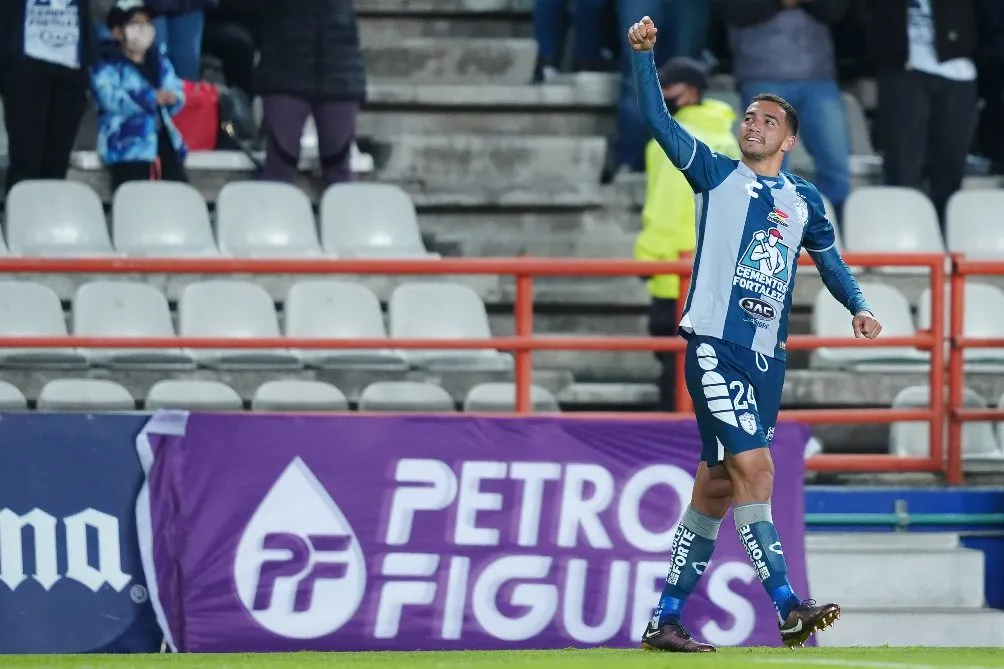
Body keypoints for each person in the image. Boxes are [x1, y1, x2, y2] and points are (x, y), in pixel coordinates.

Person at [626, 16, 883, 652]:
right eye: (750, 118)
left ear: (789, 138)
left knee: (715, 486)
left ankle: (665, 618)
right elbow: (660, 126)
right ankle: (788, 606)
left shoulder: (803, 200)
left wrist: (857, 305)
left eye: (768, 121)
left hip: (766, 358)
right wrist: (645, 58)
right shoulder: (715, 175)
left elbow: (829, 261)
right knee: (755, 466)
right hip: (714, 343)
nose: (753, 125)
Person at [635, 56, 740, 412]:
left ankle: (677, 451)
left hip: (679, 275)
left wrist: (647, 260)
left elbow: (666, 212)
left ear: (690, 92)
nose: (662, 94)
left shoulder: (670, 145)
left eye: (668, 88)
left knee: (676, 371)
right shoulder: (729, 140)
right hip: (726, 275)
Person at [715, 0, 852, 221]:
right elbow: (733, 10)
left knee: (836, 169)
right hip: (761, 76)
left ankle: (827, 235)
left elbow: (837, 10)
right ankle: (772, 236)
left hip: (819, 78)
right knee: (769, 170)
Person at [861, 0, 980, 226]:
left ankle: (945, 243)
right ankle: (902, 243)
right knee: (902, 170)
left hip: (959, 73)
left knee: (949, 171)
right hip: (902, 72)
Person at [255, 0, 366, 187]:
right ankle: (272, 216)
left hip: (339, 61)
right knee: (279, 167)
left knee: (339, 168)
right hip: (283, 59)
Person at [0, 0, 97, 195]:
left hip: (72, 66)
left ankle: (50, 221)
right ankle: (21, 221)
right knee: (26, 158)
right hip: (26, 65)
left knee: (57, 161)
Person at [91, 0, 187, 191]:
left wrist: (172, 97)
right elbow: (109, 98)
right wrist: (150, 98)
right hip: (126, 148)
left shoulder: (159, 61)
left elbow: (176, 88)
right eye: (135, 23)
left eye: (147, 23)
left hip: (164, 143)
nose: (142, 29)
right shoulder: (106, 65)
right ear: (117, 31)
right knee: (134, 197)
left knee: (178, 191)